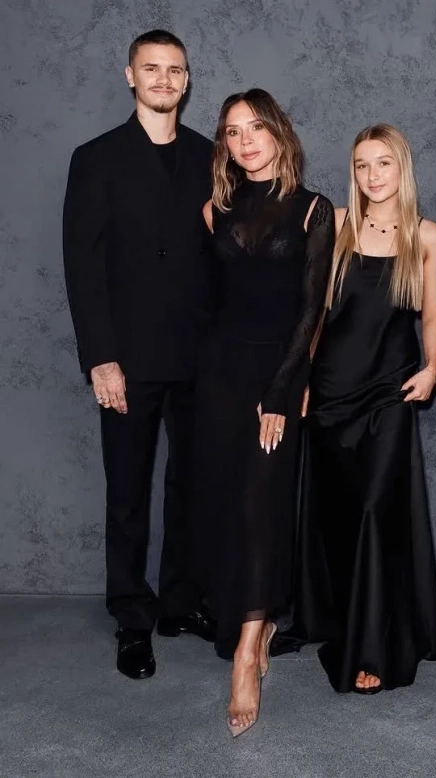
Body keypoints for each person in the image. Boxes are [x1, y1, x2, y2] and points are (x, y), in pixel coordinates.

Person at [62, 29, 216, 682]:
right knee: (127, 492)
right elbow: (82, 266)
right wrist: (101, 358)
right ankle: (132, 616)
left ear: (187, 80)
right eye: (151, 68)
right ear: (130, 76)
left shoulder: (212, 155)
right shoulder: (95, 158)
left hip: (200, 356)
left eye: (174, 70)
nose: (163, 79)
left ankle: (180, 603)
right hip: (126, 358)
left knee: (191, 487)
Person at [290, 124, 436, 694]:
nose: (372, 175)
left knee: (375, 512)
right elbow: (311, 315)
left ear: (402, 168)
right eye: (362, 164)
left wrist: (433, 366)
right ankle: (335, 619)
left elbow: (432, 316)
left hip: (389, 391)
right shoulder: (334, 225)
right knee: (337, 515)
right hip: (331, 392)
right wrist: (299, 381)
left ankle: (371, 647)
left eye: (383, 163)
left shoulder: (427, 236)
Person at [191, 89, 334, 736]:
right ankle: (258, 618)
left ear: (279, 132)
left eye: (255, 127)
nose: (245, 140)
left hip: (276, 377)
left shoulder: (313, 210)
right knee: (229, 504)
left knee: (261, 504)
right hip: (219, 377)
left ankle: (248, 652)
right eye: (232, 131)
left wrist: (281, 391)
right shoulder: (213, 210)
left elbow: (311, 312)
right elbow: (211, 303)